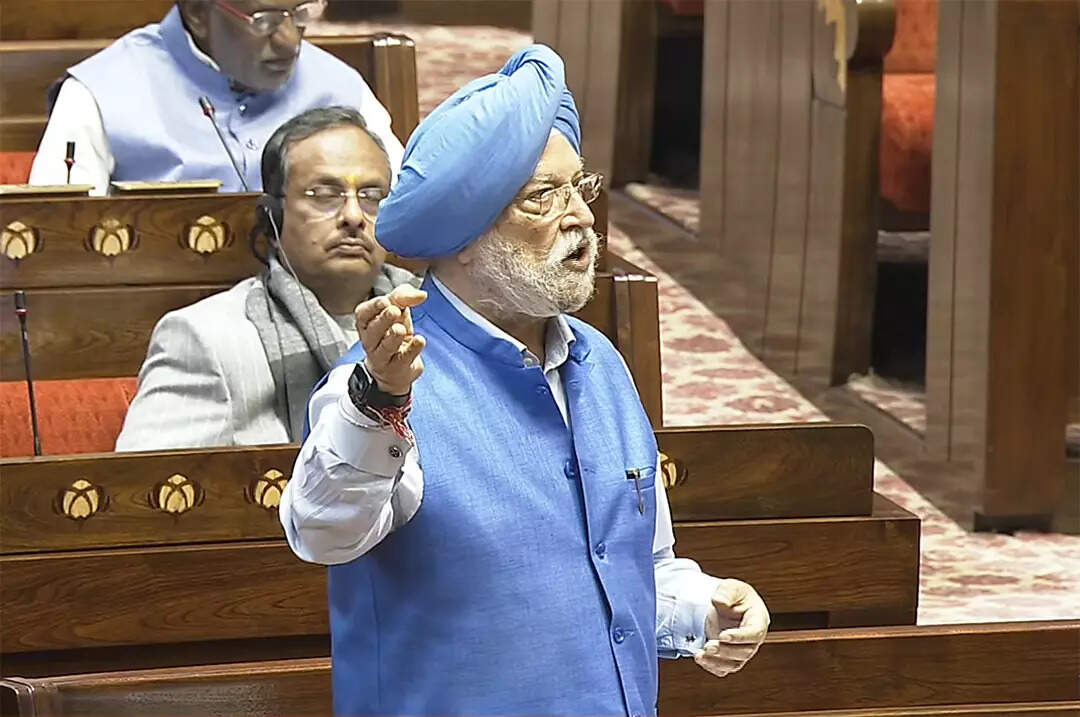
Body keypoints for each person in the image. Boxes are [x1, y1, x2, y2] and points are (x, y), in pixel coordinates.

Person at [279, 46, 769, 716]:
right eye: (544, 196)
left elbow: (627, 570)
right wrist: (379, 402)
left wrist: (702, 607)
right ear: (463, 236)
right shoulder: (376, 389)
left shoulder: (600, 364)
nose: (582, 218)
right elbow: (321, 531)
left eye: (580, 188)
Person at [116, 107, 416, 451]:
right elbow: (151, 488)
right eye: (324, 194)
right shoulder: (206, 340)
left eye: (372, 196)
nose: (353, 216)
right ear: (272, 217)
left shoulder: (434, 315)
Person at [28, 1, 403, 195]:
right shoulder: (99, 92)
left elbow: (410, 213)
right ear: (198, 13)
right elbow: (57, 242)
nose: (291, 40)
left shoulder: (339, 86)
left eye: (300, 12)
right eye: (264, 18)